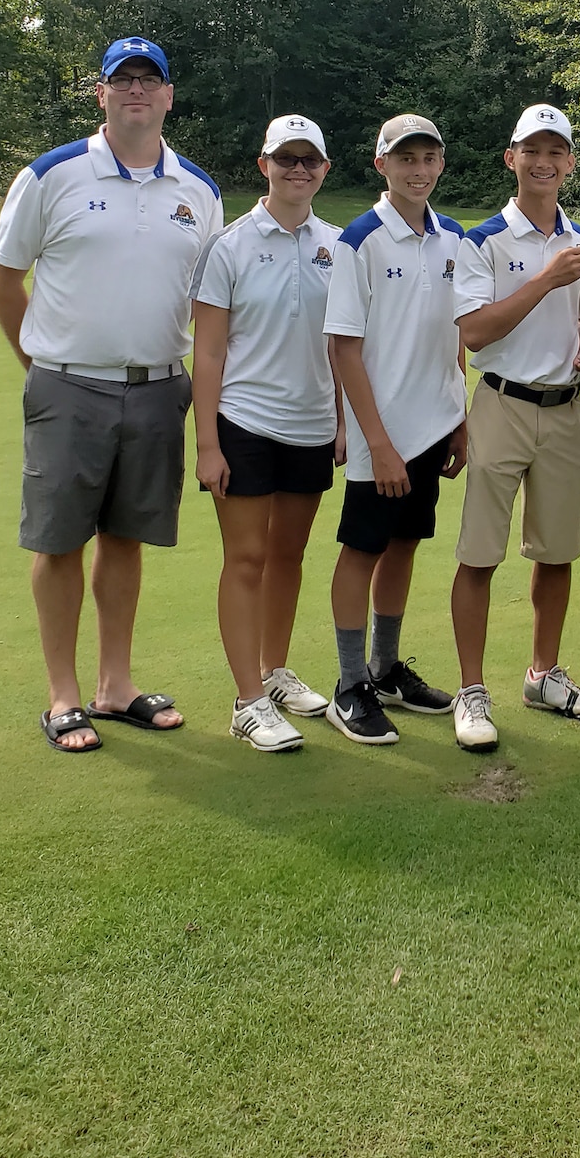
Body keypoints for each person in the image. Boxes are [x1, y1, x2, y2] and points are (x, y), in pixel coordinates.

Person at [0, 37, 222, 753]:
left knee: (124, 538)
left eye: (152, 80)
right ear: (102, 94)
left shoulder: (198, 190)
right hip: (67, 387)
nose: (138, 92)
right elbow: (2, 280)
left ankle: (114, 687)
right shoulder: (52, 174)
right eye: (124, 81)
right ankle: (63, 696)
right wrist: (41, 366)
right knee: (59, 541)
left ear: (170, 96)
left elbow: (210, 303)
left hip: (157, 389)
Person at [448, 104, 580, 752]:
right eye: (531, 151)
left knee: (557, 551)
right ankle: (471, 691)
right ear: (510, 158)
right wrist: (545, 280)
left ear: (569, 162)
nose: (544, 163)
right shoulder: (482, 240)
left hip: (564, 409)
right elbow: (476, 330)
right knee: (480, 553)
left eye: (556, 152)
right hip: (501, 404)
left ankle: (543, 674)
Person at [191, 114, 342, 753]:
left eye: (310, 160)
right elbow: (208, 354)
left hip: (312, 424)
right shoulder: (229, 246)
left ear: (325, 170)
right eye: (287, 159)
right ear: (265, 166)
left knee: (288, 556)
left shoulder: (338, 245)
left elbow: (343, 346)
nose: (298, 170)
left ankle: (274, 672)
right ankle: (246, 700)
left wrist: (340, 420)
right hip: (245, 421)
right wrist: (206, 444)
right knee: (247, 559)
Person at [322, 115, 467, 745]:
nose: (418, 169)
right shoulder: (361, 239)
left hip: (433, 425)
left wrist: (460, 418)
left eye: (429, 157)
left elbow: (458, 332)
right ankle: (350, 683)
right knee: (362, 552)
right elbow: (344, 347)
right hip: (381, 435)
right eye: (405, 158)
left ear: (440, 165)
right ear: (382, 165)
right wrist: (376, 441)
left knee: (405, 545)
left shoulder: (453, 238)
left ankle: (384, 668)